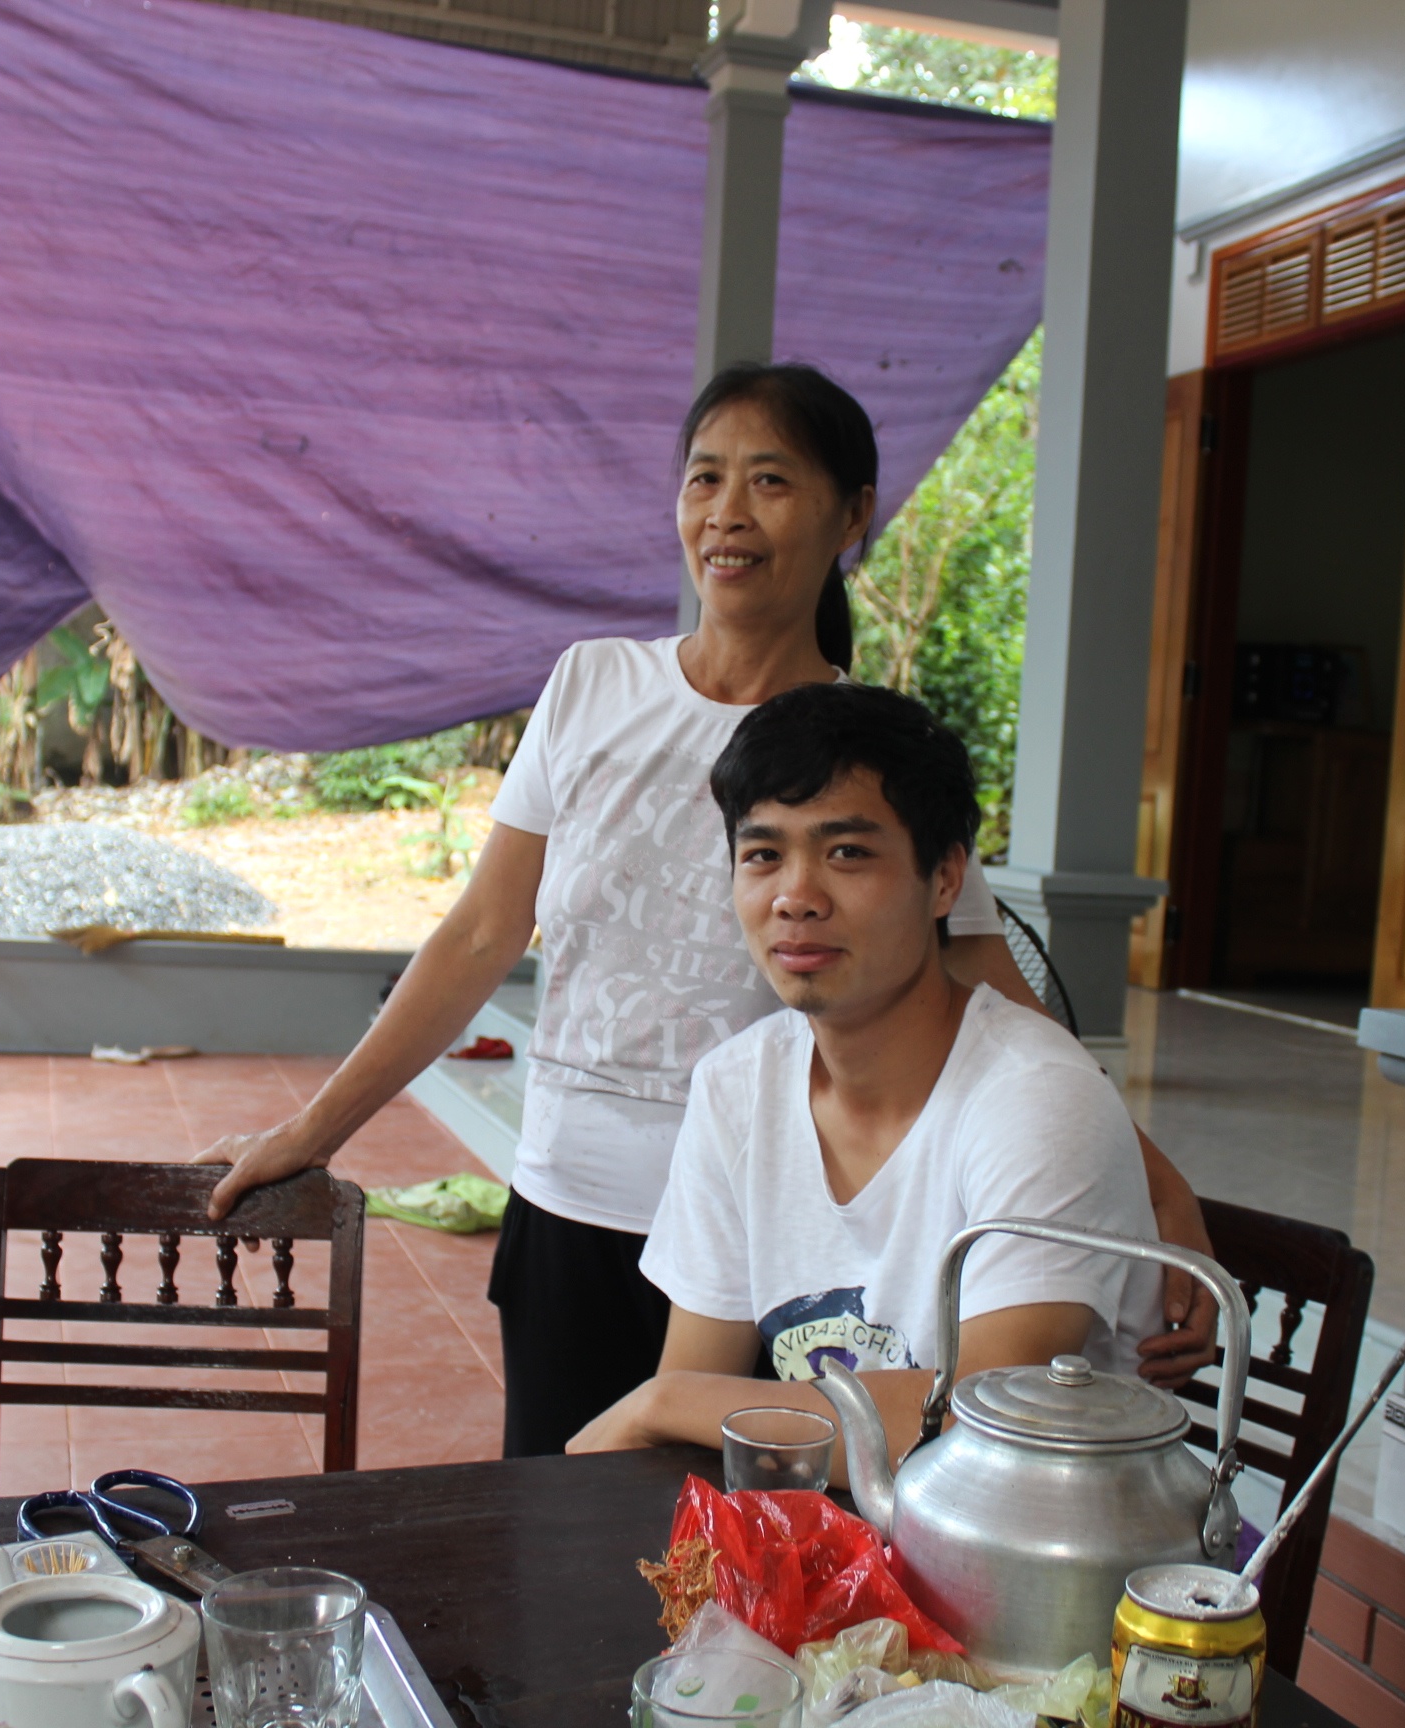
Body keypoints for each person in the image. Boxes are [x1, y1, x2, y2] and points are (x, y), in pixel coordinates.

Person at [197, 361, 1215, 1456]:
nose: (728, 512)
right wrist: (314, 1130)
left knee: (767, 1510)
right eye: (704, 478)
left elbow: (1002, 1012)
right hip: (573, 1211)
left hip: (785, 1249)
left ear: (852, 517)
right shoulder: (592, 686)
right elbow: (481, 934)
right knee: (563, 1510)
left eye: (771, 480)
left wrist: (1158, 1196)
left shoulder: (870, 755)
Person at [569, 683, 1160, 1455]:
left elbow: (984, 1423)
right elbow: (695, 1386)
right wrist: (674, 1403)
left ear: (945, 880)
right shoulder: (738, 1086)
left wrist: (662, 1403)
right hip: (831, 1517)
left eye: (847, 853)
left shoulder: (1038, 1100)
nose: (796, 897)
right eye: (763, 855)